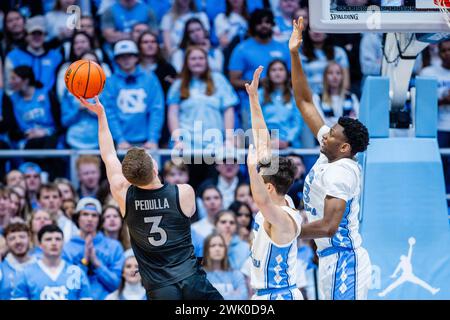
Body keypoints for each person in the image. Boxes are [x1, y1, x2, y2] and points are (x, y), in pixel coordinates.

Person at [76, 95, 223, 300]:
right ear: (154, 168)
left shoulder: (122, 193)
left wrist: (101, 115)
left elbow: (108, 155)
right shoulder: (184, 192)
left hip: (159, 287)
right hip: (191, 279)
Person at [289, 17, 372, 300]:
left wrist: (289, 231)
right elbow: (304, 101)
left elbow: (328, 226)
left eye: (332, 134)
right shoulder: (332, 153)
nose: (325, 135)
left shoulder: (342, 172)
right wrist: (294, 53)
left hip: (344, 260)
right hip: (330, 258)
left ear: (345, 147)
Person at [245, 65, 303, 300]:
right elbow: (262, 140)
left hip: (280, 296)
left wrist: (250, 168)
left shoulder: (284, 218)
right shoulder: (283, 197)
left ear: (268, 187)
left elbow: (261, 201)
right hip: (263, 295)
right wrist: (254, 98)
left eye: (260, 178)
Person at [229, 8, 290, 130]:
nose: (264, 25)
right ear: (253, 25)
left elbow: (291, 76)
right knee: (255, 142)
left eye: (267, 22)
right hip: (251, 103)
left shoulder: (282, 47)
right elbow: (234, 80)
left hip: (281, 103)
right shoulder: (242, 49)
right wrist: (258, 83)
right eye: (260, 23)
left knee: (282, 141)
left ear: (272, 24)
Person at [167, 46, 237, 152]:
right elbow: (173, 115)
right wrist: (177, 140)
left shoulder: (219, 80)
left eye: (201, 58)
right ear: (186, 62)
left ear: (206, 61)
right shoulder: (178, 85)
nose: (197, 62)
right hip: (186, 146)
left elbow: (228, 111)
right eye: (193, 59)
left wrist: (229, 139)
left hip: (215, 144)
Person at [103, 40, 164, 150]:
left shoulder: (150, 79)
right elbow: (109, 113)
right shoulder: (110, 82)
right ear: (116, 60)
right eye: (122, 56)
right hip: (121, 143)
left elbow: (156, 110)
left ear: (136, 57)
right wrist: (120, 139)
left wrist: (153, 139)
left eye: (130, 55)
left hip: (147, 142)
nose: (126, 59)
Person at [63, 197, 124, 300]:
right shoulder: (67, 248)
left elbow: (116, 284)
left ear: (100, 220)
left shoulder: (114, 247)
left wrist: (96, 263)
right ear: (77, 218)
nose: (90, 219)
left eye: (94, 215)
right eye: (85, 214)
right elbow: (70, 287)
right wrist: (85, 261)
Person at [13, 224, 92, 300]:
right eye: (48, 239)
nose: (54, 243)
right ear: (40, 244)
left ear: (63, 243)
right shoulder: (26, 274)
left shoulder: (76, 273)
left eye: (58, 239)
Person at [259, 59, 303, 149]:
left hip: (289, 144)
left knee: (295, 162)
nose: (277, 73)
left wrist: (287, 141)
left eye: (281, 69)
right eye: (273, 70)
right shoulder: (259, 94)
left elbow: (297, 123)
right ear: (268, 74)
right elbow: (254, 120)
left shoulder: (294, 96)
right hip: (265, 142)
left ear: (287, 73)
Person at [202, 233, 249, 300]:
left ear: (225, 249)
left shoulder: (236, 274)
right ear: (206, 250)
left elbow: (243, 297)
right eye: (213, 246)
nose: (217, 249)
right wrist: (231, 294)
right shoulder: (200, 275)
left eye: (221, 245)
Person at [313, 62, 359, 129]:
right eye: (330, 73)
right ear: (325, 76)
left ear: (342, 76)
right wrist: (348, 120)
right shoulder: (317, 98)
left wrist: (331, 120)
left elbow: (358, 119)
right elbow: (321, 122)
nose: (335, 76)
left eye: (338, 73)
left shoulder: (351, 97)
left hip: (348, 137)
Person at [0, 221, 36, 299]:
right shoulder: (1, 269)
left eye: (22, 237)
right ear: (6, 242)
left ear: (29, 239)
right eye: (12, 238)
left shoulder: (41, 266)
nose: (18, 241)